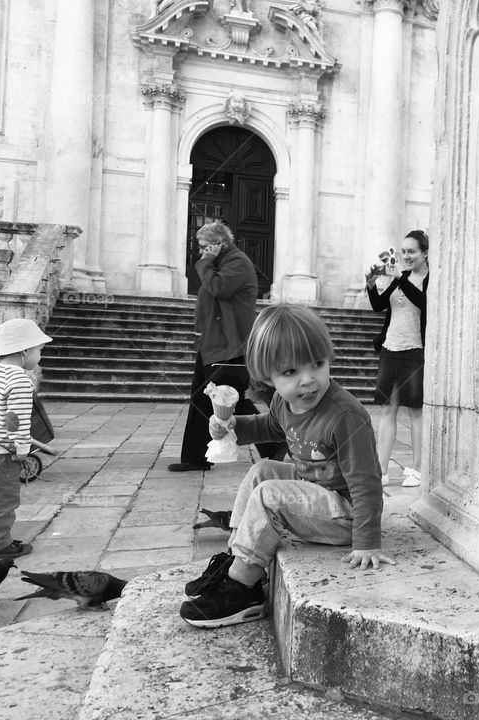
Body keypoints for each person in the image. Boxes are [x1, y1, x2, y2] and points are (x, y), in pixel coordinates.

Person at [180, 304, 393, 628]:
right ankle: (236, 557)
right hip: (316, 493)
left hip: (344, 512)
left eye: (317, 365)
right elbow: (271, 427)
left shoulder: (345, 415)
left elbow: (367, 483)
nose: (308, 381)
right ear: (270, 377)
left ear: (328, 358)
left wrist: (367, 542)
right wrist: (232, 425)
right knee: (262, 470)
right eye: (291, 372)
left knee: (269, 494)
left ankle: (244, 586)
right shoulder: (283, 401)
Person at [169, 220, 284, 472]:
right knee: (202, 399)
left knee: (230, 399)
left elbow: (219, 289)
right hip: (213, 342)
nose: (201, 252)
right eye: (200, 249)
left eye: (205, 247)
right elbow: (208, 300)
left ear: (219, 244)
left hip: (231, 344)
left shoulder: (237, 263)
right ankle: (195, 458)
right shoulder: (219, 263)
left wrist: (203, 264)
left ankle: (275, 443)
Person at [365, 230, 429, 487]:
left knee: (415, 411)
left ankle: (416, 469)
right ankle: (381, 469)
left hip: (415, 349)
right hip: (391, 348)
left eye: (411, 251)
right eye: (403, 251)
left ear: (425, 253)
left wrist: (399, 280)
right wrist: (370, 284)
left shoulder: (429, 279)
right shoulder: (400, 277)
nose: (406, 256)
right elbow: (379, 305)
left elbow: (423, 302)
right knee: (387, 410)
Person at [0, 319, 53, 559]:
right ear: (24, 350)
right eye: (39, 350)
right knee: (3, 501)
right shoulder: (19, 380)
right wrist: (23, 452)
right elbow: (16, 422)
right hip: (1, 454)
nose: (39, 356)